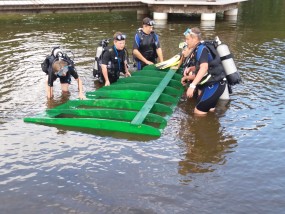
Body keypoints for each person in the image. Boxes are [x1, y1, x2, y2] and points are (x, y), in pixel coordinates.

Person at [182, 27, 226, 115]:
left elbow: (204, 67)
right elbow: (209, 64)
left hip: (213, 86)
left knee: (198, 112)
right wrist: (193, 68)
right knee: (209, 112)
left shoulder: (201, 49)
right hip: (217, 84)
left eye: (187, 39)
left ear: (194, 39)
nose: (186, 41)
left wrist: (192, 86)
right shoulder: (201, 47)